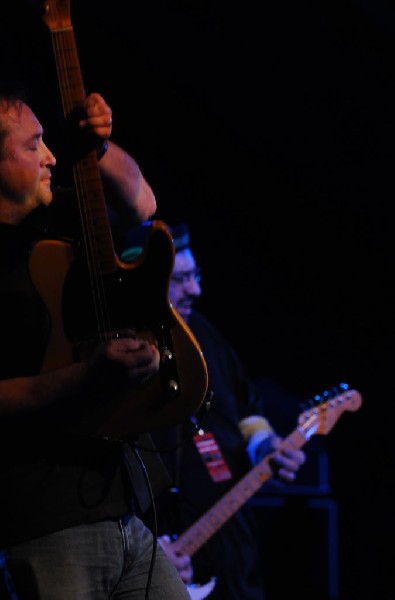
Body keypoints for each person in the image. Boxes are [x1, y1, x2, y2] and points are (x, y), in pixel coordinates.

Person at [0, 81, 192, 599]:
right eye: (31, 143)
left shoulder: (57, 215)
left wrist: (99, 145)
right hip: (40, 519)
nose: (50, 155)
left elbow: (140, 204)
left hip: (125, 509)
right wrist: (87, 378)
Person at [121, 222, 307, 600]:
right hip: (158, 546)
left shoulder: (204, 332)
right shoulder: (120, 346)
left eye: (196, 275)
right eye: (182, 279)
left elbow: (246, 408)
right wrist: (147, 547)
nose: (196, 289)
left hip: (229, 540)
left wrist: (265, 446)